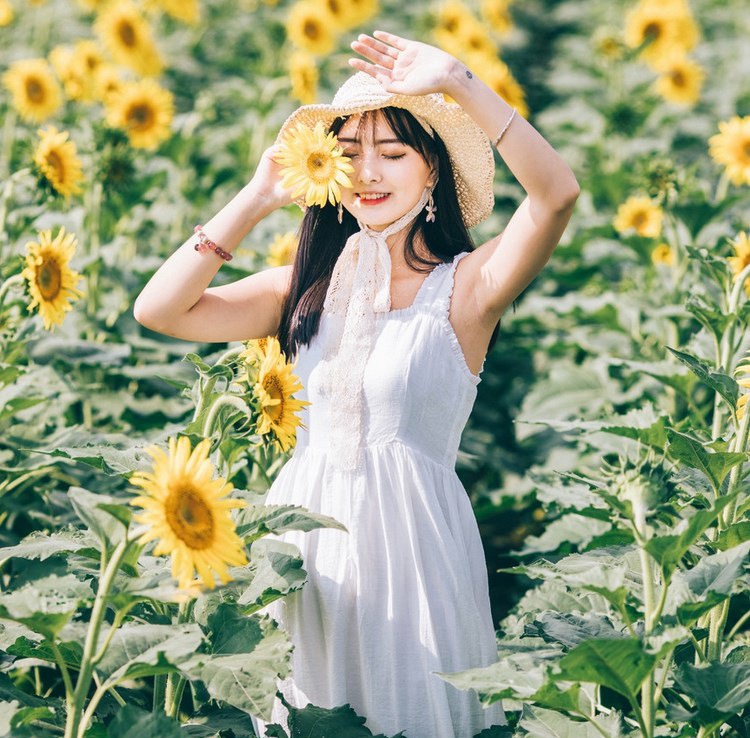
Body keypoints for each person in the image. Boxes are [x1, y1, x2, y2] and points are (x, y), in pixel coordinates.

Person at [134, 29, 579, 738]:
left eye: (394, 153)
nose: (369, 172)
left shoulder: (463, 291)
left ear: (433, 171)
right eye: (349, 155)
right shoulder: (300, 291)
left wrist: (460, 81)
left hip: (414, 555)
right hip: (307, 557)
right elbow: (159, 309)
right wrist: (254, 199)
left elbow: (555, 195)